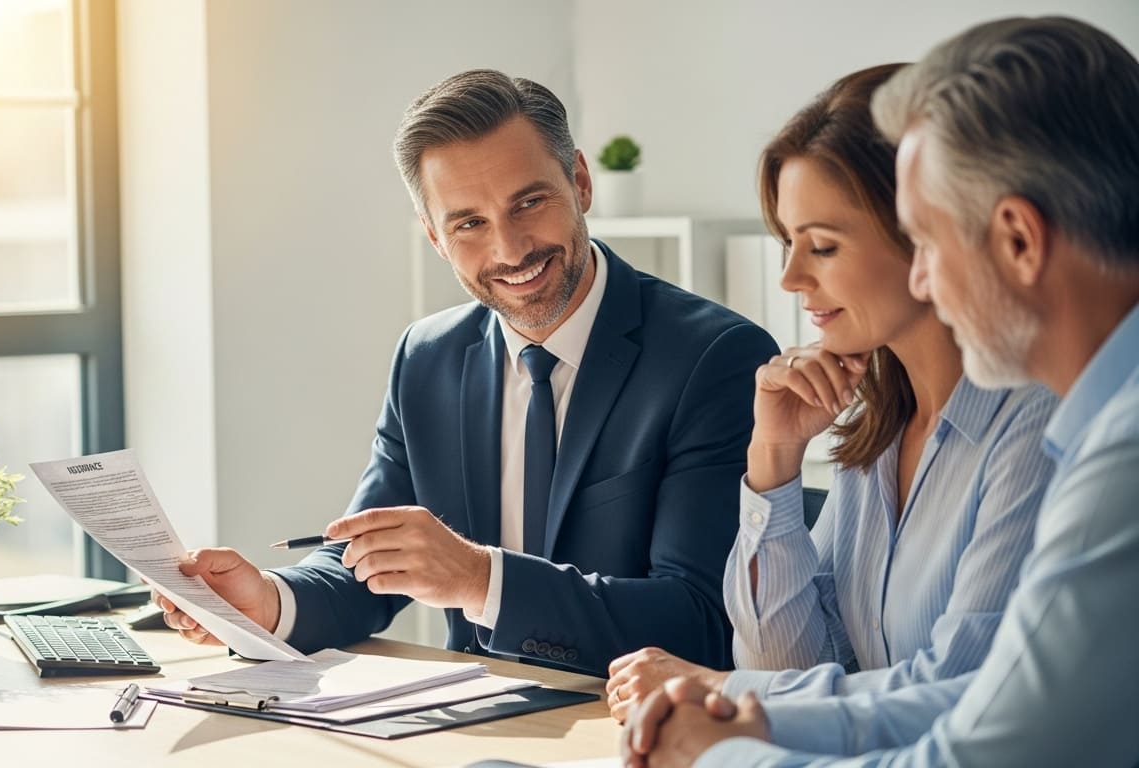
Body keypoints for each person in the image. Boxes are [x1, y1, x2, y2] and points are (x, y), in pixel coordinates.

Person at [622, 15, 1139, 767]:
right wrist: (751, 716)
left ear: (1019, 240)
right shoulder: (887, 419)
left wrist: (720, 748)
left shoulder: (1105, 445)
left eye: (927, 240)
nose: (924, 278)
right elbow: (980, 698)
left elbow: (980, 743)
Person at [154, 69, 778, 675]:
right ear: (433, 236)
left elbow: (701, 622)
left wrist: (480, 579)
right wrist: (268, 601)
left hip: (636, 730)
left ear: (580, 182)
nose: (510, 250)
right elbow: (368, 568)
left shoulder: (715, 358)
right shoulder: (426, 358)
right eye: (470, 224)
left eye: (529, 202)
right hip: (472, 731)